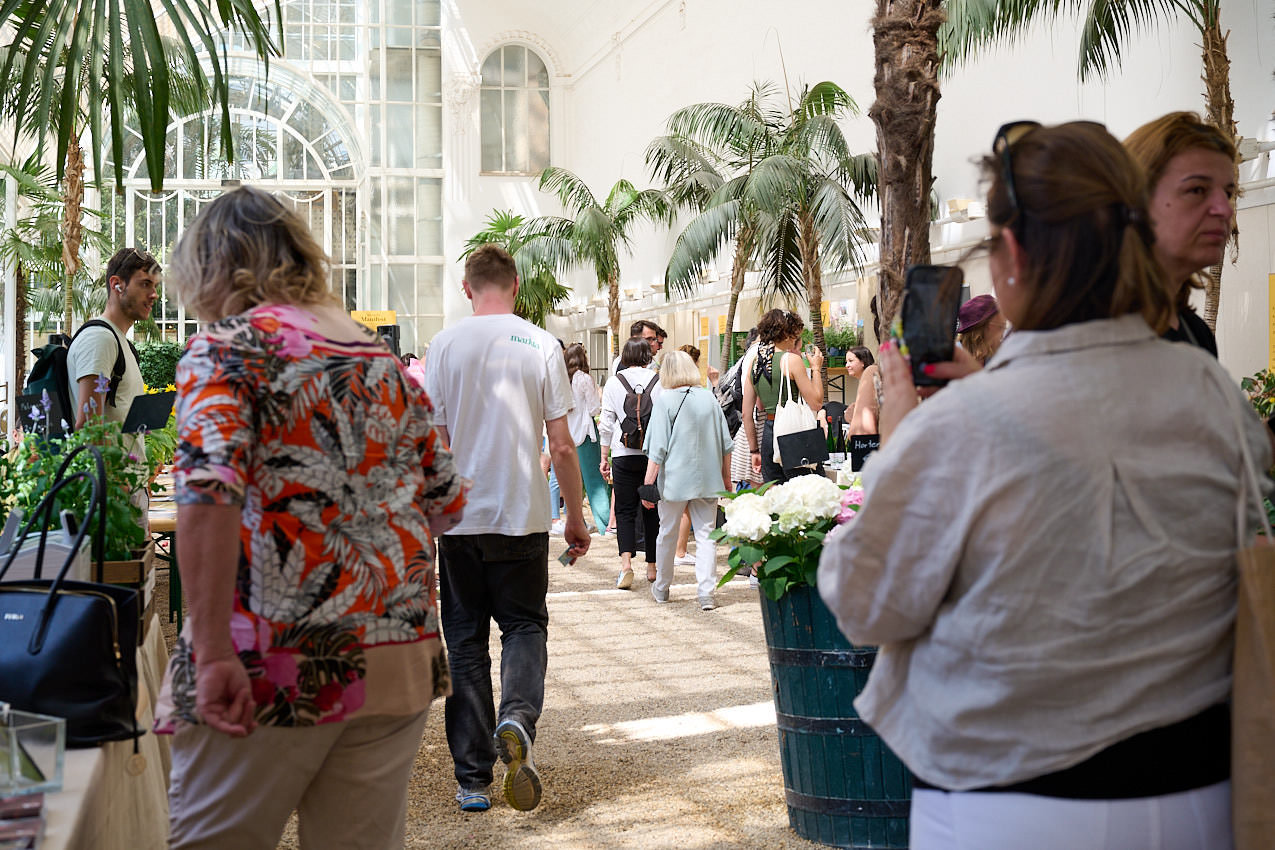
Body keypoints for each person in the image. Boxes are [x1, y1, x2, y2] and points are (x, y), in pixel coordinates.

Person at [817, 121, 1270, 849]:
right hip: (1198, 795)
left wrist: (901, 446)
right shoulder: (1211, 393)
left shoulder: (959, 425)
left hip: (1009, 806)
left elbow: (870, 605)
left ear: (1013, 253)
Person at [155, 186, 467, 850]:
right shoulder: (384, 364)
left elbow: (206, 495)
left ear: (212, 268)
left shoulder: (230, 350)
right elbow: (447, 502)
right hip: (394, 656)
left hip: (269, 659)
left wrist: (210, 650)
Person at [425, 244, 589, 814]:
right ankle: (517, 718)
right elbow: (562, 445)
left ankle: (473, 779)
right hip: (521, 516)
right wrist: (574, 514)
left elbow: (435, 447)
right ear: (515, 285)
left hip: (460, 522)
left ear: (467, 288)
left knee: (465, 642)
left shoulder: (443, 345)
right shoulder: (540, 343)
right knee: (523, 626)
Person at [1124, 112, 1236, 357]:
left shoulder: (1196, 334)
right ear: (1137, 199)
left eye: (1227, 193)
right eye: (1197, 190)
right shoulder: (1094, 333)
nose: (1225, 209)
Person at [640, 350, 733, 610]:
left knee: (667, 533)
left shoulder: (665, 400)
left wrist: (648, 485)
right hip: (708, 478)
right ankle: (706, 593)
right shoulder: (709, 398)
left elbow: (657, 449)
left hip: (674, 481)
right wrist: (726, 479)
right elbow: (726, 444)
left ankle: (662, 587)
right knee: (706, 536)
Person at [67, 247, 159, 444]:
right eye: (145, 284)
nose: (154, 295)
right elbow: (89, 430)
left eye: (155, 287)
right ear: (117, 284)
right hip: (110, 476)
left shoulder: (119, 341)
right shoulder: (100, 339)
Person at [599, 337, 663, 587]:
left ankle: (626, 565)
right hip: (651, 456)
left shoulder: (615, 382)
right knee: (651, 508)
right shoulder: (658, 381)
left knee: (624, 510)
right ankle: (652, 566)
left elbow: (606, 424)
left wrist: (604, 456)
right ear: (648, 355)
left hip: (623, 453)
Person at [740, 308, 824, 483]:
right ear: (786, 334)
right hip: (794, 434)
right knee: (806, 493)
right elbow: (816, 402)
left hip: (769, 436)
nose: (796, 340)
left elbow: (747, 414)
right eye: (795, 335)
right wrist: (816, 368)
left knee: (778, 498)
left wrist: (754, 450)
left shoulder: (755, 364)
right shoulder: (791, 361)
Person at [564, 343, 611, 535]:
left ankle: (577, 522)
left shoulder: (563, 380)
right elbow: (594, 409)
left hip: (568, 434)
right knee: (595, 481)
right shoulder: (584, 379)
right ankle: (605, 522)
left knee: (574, 482)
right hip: (585, 434)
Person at [955, 294, 1007, 365]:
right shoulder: (953, 357)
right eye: (1001, 327)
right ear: (986, 327)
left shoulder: (996, 355)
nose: (1003, 334)